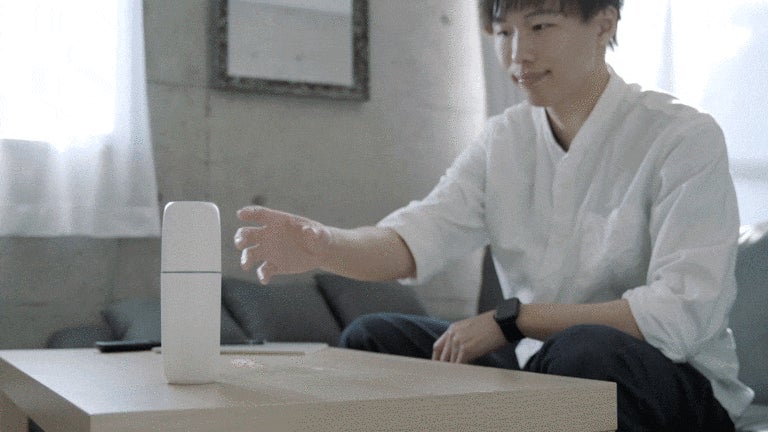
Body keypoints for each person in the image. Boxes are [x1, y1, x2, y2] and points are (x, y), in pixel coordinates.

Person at [234, 0, 754, 430]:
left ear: (603, 25)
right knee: (373, 340)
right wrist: (324, 245)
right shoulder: (504, 139)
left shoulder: (680, 137)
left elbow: (679, 316)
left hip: (674, 385)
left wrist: (514, 320)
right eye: (504, 32)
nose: (518, 52)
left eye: (540, 26)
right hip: (541, 369)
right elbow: (415, 238)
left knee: (583, 352)